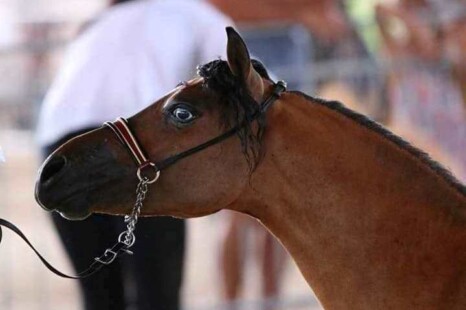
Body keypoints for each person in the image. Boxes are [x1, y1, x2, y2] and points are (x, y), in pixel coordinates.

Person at [36, 1, 232, 309]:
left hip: (60, 142)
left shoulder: (101, 20)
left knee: (100, 296)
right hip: (134, 147)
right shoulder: (193, 11)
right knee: (158, 296)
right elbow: (243, 74)